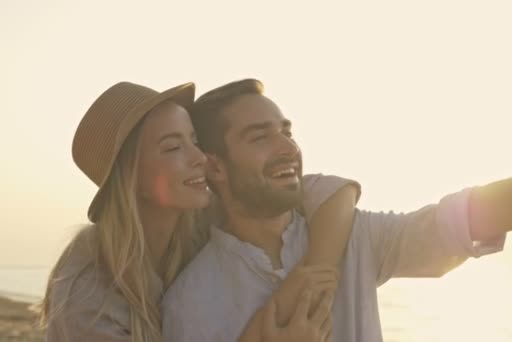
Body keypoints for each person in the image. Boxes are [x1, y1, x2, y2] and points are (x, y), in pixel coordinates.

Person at [162, 78, 512, 342]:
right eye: (260, 137)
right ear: (215, 167)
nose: (288, 148)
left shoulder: (354, 237)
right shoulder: (189, 302)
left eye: (287, 130)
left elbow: (472, 216)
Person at [38, 81, 361, 342]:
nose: (201, 158)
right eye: (173, 148)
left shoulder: (198, 216)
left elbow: (328, 192)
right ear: (131, 177)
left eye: (194, 140)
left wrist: (317, 274)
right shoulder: (85, 296)